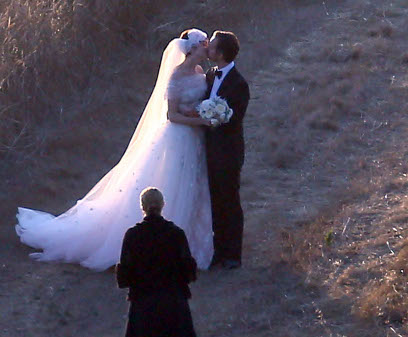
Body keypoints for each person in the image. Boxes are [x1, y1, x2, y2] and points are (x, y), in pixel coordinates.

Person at [15, 29, 214, 271]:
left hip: (196, 137)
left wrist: (203, 114)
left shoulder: (200, 72)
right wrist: (199, 121)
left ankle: (193, 242)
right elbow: (171, 115)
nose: (208, 48)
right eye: (204, 44)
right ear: (192, 49)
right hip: (180, 136)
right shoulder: (176, 76)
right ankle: (164, 248)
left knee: (194, 187)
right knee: (176, 186)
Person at [116, 187, 197, 337]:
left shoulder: (132, 236)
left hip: (143, 307)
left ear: (142, 207)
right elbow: (189, 272)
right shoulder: (176, 234)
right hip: (174, 305)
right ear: (162, 205)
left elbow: (123, 278)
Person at [205, 31, 250, 269]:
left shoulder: (239, 84)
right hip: (209, 150)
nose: (207, 49)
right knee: (214, 200)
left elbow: (234, 120)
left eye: (211, 47)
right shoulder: (210, 75)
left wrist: (212, 118)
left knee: (229, 201)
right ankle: (217, 250)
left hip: (228, 152)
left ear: (220, 53)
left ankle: (233, 254)